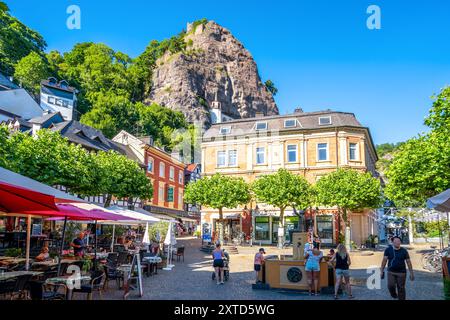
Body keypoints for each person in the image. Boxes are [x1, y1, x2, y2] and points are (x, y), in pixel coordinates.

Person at [380, 236, 414, 300]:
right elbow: (384, 260)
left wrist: (411, 273)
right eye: (395, 241)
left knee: (401, 288)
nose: (397, 243)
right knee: (390, 286)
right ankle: (394, 295)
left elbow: (408, 262)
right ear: (392, 242)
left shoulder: (404, 251)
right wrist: (381, 271)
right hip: (391, 272)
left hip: (402, 273)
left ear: (400, 242)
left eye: (398, 241)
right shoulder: (388, 250)